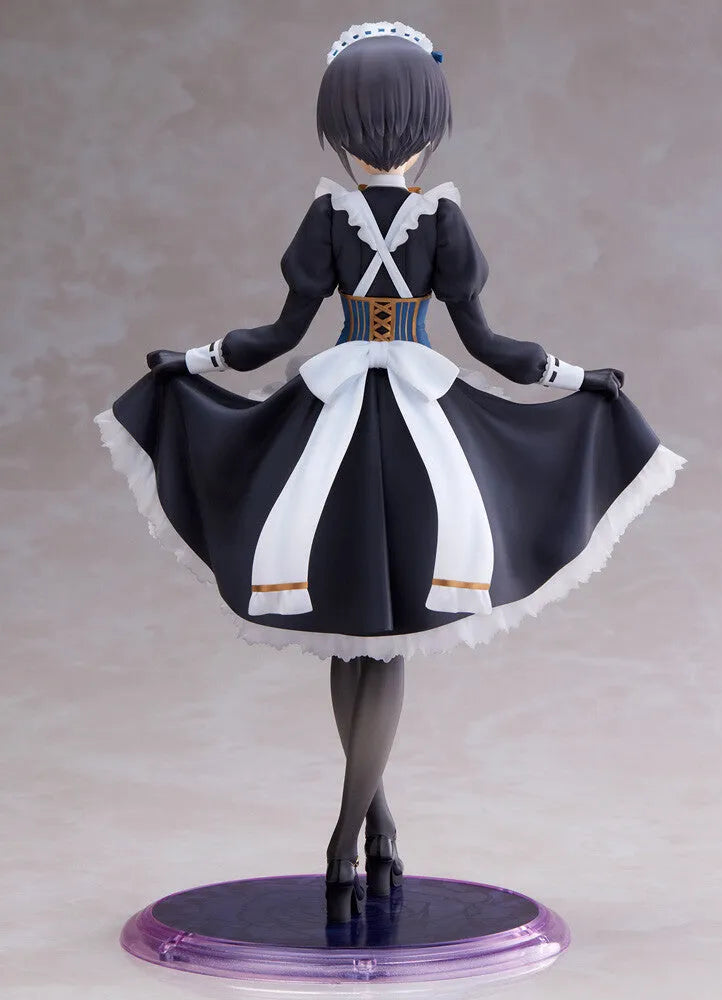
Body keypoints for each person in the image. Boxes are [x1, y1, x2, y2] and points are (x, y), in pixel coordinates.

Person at [94, 20, 686, 923]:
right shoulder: (438, 218)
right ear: (429, 124)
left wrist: (197, 360)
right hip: (412, 421)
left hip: (337, 418)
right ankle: (362, 839)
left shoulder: (334, 217)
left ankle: (356, 839)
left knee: (362, 633)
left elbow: (277, 337)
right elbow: (488, 345)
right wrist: (572, 378)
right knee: (369, 633)